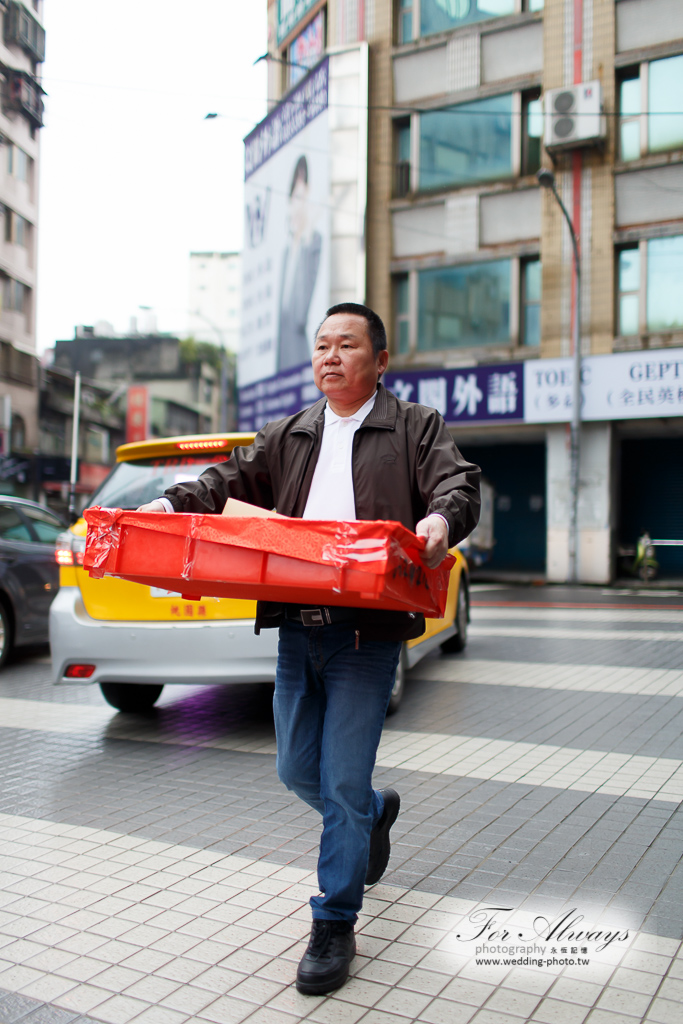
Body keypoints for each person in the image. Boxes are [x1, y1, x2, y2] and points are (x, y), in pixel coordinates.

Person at [138, 302, 480, 995]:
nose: (330, 356)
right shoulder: (289, 434)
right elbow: (225, 482)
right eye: (321, 345)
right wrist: (174, 506)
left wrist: (440, 518)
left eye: (346, 345)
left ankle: (334, 920)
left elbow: (458, 482)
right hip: (297, 627)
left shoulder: (414, 427)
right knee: (298, 772)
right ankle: (373, 814)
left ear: (378, 361)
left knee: (341, 781)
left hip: (366, 635)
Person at [277, 155, 322, 373]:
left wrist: (306, 239)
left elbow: (300, 316)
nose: (298, 206)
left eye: (302, 198)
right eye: (294, 198)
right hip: (281, 369)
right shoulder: (285, 253)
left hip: (300, 363)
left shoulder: (313, 243)